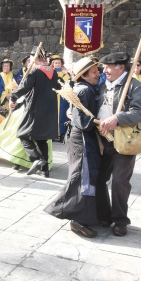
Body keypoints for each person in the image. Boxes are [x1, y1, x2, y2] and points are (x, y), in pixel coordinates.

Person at [45, 57, 103, 238]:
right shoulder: (84, 90)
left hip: (81, 138)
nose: (98, 74)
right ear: (84, 75)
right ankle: (76, 219)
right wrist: (102, 123)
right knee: (82, 178)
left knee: (85, 176)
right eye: (94, 72)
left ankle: (85, 216)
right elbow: (82, 121)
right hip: (82, 139)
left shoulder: (82, 88)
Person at [95, 52, 141, 237]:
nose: (105, 70)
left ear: (121, 68)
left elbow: (139, 113)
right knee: (99, 179)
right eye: (104, 67)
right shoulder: (102, 86)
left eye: (109, 67)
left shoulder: (134, 86)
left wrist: (118, 118)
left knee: (119, 182)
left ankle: (120, 220)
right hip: (102, 140)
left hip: (124, 141)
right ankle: (104, 215)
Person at [10, 50, 59, 177]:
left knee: (22, 133)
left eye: (32, 57)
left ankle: (36, 158)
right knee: (42, 139)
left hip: (35, 108)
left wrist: (13, 97)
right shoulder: (53, 72)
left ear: (36, 58)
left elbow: (25, 87)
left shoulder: (35, 71)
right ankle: (44, 169)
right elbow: (58, 88)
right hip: (49, 109)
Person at [50, 54, 72, 141]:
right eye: (55, 63)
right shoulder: (50, 73)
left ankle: (62, 134)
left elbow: (69, 84)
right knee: (52, 115)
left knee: (63, 115)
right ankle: (52, 134)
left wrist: (66, 74)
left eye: (59, 63)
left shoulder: (65, 73)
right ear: (53, 64)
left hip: (63, 97)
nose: (57, 65)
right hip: (53, 96)